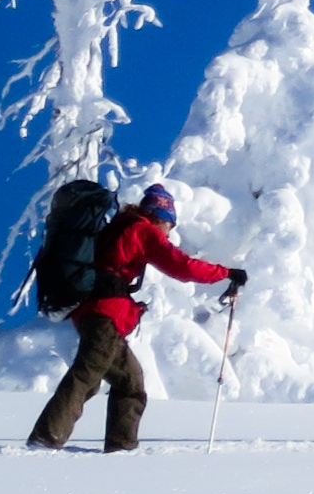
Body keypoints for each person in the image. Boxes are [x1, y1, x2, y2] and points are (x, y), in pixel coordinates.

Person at [28, 182, 245, 453]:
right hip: (105, 314)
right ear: (161, 217)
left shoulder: (120, 226)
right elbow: (181, 265)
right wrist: (226, 273)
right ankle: (45, 439)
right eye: (170, 224)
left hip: (95, 313)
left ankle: (121, 448)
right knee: (86, 375)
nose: (169, 231)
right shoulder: (141, 230)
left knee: (130, 382)